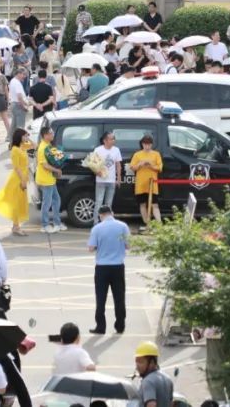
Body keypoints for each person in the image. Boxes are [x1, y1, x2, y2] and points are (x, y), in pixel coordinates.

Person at [87, 205, 129, 334]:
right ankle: (120, 325)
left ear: (100, 216)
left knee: (100, 298)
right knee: (119, 297)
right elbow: (128, 245)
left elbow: (91, 248)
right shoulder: (123, 226)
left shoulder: (97, 228)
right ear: (112, 213)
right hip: (118, 266)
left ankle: (101, 327)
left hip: (102, 268)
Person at [0, 129, 32, 236]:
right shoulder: (15, 150)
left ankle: (15, 226)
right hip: (17, 179)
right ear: (19, 137)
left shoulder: (22, 146)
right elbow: (16, 168)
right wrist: (22, 180)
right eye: (25, 136)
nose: (26, 138)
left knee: (20, 202)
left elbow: (34, 145)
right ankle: (16, 227)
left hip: (23, 177)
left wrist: (28, 138)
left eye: (27, 136)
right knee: (16, 203)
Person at [130, 135, 162, 231]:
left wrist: (151, 165)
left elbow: (159, 168)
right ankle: (147, 224)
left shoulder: (156, 154)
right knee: (142, 204)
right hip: (140, 183)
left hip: (152, 183)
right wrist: (140, 164)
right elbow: (132, 167)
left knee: (155, 204)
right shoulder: (137, 154)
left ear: (151, 144)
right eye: (145, 144)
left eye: (148, 144)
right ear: (142, 144)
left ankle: (159, 225)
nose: (147, 146)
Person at [36, 127, 64, 233]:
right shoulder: (43, 147)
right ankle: (45, 225)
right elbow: (44, 165)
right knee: (46, 203)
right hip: (45, 180)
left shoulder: (48, 145)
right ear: (45, 135)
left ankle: (57, 223)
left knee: (56, 200)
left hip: (50, 179)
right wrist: (57, 170)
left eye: (52, 133)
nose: (52, 135)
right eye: (50, 133)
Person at [91, 132, 123, 224]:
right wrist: (96, 172)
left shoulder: (116, 150)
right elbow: (92, 164)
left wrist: (119, 178)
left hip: (111, 180)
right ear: (105, 140)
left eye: (114, 139)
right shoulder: (98, 150)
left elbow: (118, 165)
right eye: (111, 139)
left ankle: (107, 223)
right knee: (99, 202)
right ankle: (96, 222)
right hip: (101, 180)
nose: (113, 140)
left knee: (109, 203)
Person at [135, 342, 173, 407]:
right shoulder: (168, 379)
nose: (137, 366)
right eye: (136, 361)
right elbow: (171, 404)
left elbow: (151, 405)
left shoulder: (148, 381)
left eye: (141, 361)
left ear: (152, 362)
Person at [8, 67, 30, 140]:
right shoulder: (17, 83)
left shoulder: (13, 81)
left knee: (14, 125)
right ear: (19, 74)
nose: (25, 76)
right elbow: (19, 97)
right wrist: (24, 106)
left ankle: (11, 141)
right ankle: (18, 143)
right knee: (20, 127)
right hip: (18, 105)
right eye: (24, 74)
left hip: (14, 104)